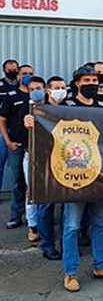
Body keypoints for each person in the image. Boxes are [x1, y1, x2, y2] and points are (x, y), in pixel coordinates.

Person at [61, 66, 103, 291]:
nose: (91, 83)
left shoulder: (101, 107)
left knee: (100, 223)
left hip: (100, 175)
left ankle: (101, 265)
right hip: (74, 175)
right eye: (86, 80)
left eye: (94, 80)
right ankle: (70, 273)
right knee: (72, 225)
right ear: (77, 82)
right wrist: (31, 121)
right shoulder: (65, 107)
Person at [28, 76, 68, 260]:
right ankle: (48, 245)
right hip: (44, 162)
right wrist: (27, 123)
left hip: (67, 162)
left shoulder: (69, 109)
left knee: (69, 205)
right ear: (48, 90)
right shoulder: (36, 111)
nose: (60, 90)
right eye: (56, 87)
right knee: (46, 206)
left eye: (63, 87)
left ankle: (68, 242)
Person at [1, 64, 34, 230]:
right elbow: (2, 121)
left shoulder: (38, 95)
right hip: (17, 145)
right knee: (18, 181)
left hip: (35, 146)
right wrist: (8, 142)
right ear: (19, 76)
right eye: (24, 73)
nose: (27, 76)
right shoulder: (11, 96)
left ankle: (32, 219)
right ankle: (16, 216)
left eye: (30, 74)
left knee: (34, 183)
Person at [0, 59, 20, 193]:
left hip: (16, 127)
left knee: (17, 168)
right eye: (10, 70)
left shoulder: (22, 85)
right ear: (4, 71)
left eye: (15, 70)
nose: (13, 72)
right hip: (2, 128)